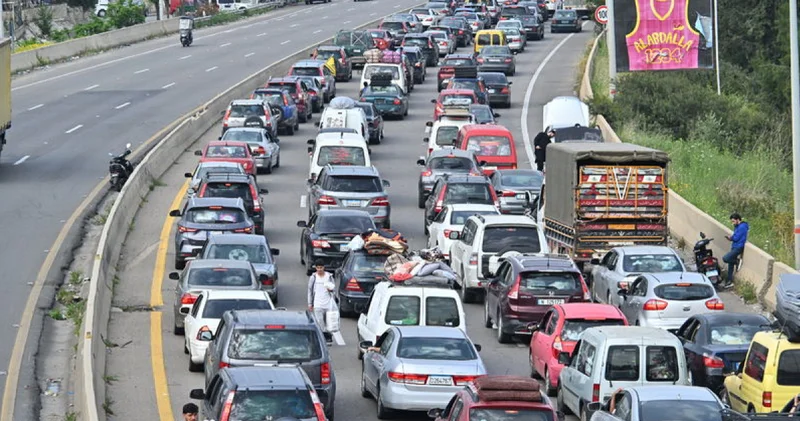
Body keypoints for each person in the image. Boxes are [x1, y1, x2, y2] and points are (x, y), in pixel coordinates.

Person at [307, 260, 335, 342]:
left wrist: (331, 290)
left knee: (328, 321)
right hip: (318, 304)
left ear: (324, 267)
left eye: (321, 267)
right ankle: (323, 337)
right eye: (318, 268)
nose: (319, 269)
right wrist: (310, 303)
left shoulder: (329, 277)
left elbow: (334, 289)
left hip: (328, 303)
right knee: (319, 321)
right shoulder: (313, 277)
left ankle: (328, 335)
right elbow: (310, 290)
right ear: (315, 268)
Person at [722, 213, 749, 288]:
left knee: (726, 258)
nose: (732, 223)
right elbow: (735, 235)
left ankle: (737, 261)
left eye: (733, 221)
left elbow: (736, 238)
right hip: (734, 246)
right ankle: (729, 281)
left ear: (738, 220)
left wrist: (730, 238)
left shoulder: (742, 227)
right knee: (730, 265)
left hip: (738, 247)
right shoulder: (737, 226)